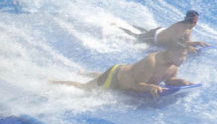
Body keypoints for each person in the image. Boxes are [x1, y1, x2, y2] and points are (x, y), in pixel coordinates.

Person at [52, 42, 191, 98]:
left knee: (103, 78)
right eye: (180, 55)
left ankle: (88, 73)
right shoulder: (152, 62)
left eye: (185, 56)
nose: (182, 59)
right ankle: (52, 81)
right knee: (84, 88)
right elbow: (137, 84)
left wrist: (181, 82)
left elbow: (169, 79)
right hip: (114, 77)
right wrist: (150, 87)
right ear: (170, 51)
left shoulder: (174, 63)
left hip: (127, 72)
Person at [120, 10, 208, 52]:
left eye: (196, 21)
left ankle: (129, 25)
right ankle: (119, 27)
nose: (194, 23)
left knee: (142, 31)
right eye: (193, 20)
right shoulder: (180, 26)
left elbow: (186, 40)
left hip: (160, 31)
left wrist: (193, 44)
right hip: (154, 38)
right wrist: (195, 43)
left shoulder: (189, 26)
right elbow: (177, 42)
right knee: (135, 36)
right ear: (187, 19)